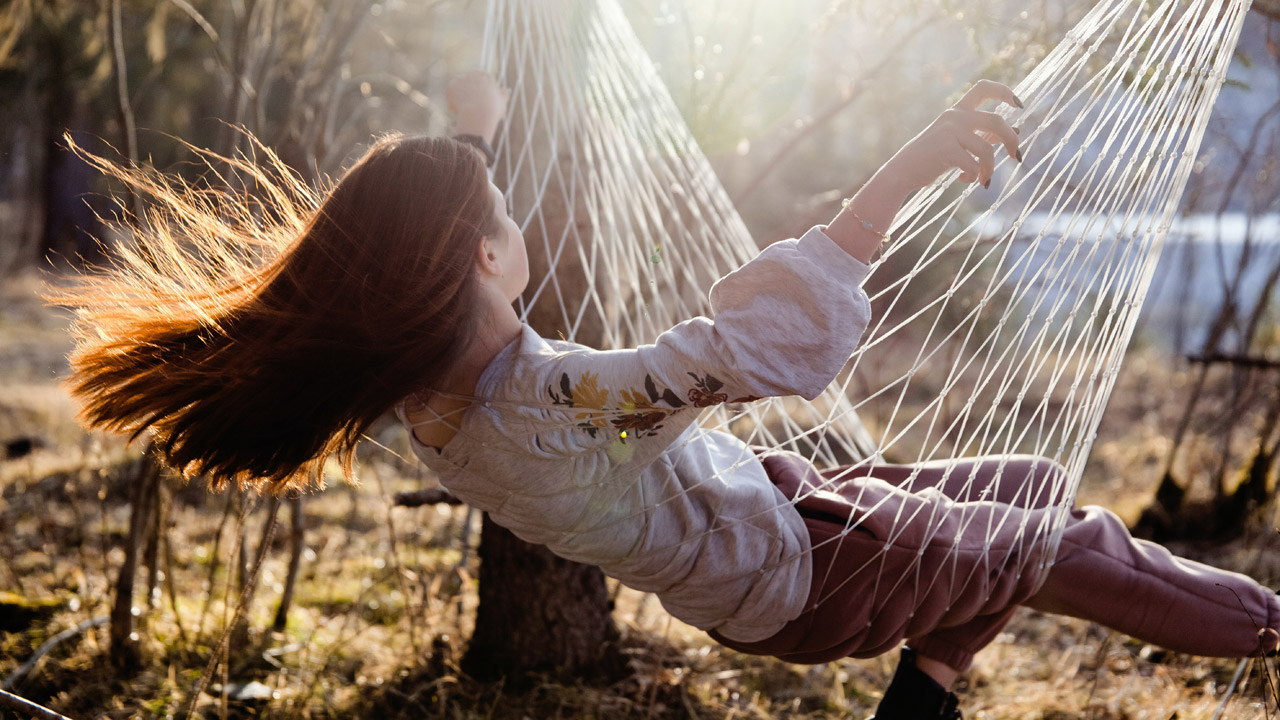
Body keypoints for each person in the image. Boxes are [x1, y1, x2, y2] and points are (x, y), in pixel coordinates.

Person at [58, 71, 1279, 720]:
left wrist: (468, 130)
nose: (516, 220)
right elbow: (738, 352)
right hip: (807, 572)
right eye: (500, 215)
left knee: (1022, 489)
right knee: (1057, 543)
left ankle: (932, 684)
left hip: (784, 532)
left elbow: (437, 254)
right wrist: (903, 170)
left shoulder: (434, 397)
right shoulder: (550, 406)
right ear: (478, 259)